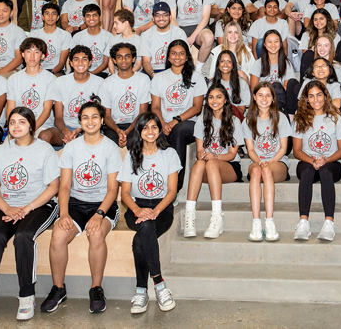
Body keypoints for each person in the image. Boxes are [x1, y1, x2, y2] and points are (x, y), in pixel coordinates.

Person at [0, 107, 60, 322]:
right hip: (7, 205)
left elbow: (53, 187)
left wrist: (27, 208)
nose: (16, 126)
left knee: (23, 237)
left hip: (40, 205)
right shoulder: (1, 150)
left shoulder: (44, 149)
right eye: (12, 122)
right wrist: (6, 208)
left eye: (22, 122)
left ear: (31, 125)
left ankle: (26, 295)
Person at [41, 96, 122, 314]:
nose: (90, 121)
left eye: (94, 117)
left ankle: (96, 288)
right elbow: (65, 186)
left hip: (104, 204)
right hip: (76, 203)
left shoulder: (111, 148)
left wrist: (99, 214)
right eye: (85, 117)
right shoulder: (71, 148)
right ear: (80, 122)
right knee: (58, 234)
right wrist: (64, 214)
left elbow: (113, 190)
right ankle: (58, 288)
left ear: (102, 120)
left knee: (95, 234)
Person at [116, 113, 180, 314]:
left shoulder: (169, 154)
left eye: (154, 127)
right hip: (136, 207)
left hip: (162, 209)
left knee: (139, 241)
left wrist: (156, 211)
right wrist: (137, 210)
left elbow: (171, 191)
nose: (150, 131)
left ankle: (141, 291)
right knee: (143, 226)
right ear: (140, 131)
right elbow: (125, 193)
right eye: (145, 128)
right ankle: (160, 285)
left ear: (160, 130)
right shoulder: (131, 155)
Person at [184, 84, 245, 239]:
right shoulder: (201, 120)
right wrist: (203, 154)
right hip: (208, 166)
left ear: (225, 100)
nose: (214, 100)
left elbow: (232, 154)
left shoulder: (234, 121)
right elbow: (199, 151)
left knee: (210, 163)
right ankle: (189, 216)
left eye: (219, 97)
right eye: (211, 97)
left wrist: (214, 157)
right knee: (199, 163)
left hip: (229, 167)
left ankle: (217, 217)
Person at [292, 80, 341, 242]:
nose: (315, 99)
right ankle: (303, 222)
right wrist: (312, 160)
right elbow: (297, 150)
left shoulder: (336, 118)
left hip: (331, 163)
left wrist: (326, 160)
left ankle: (329, 223)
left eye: (319, 95)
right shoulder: (300, 119)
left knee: (325, 171)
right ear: (306, 99)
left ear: (325, 96)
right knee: (308, 171)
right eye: (311, 96)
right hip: (307, 162)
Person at [150, 40, 206, 190]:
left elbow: (197, 107)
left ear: (187, 57)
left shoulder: (196, 77)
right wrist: (162, 123)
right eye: (174, 53)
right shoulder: (159, 78)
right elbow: (155, 107)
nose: (177, 57)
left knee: (179, 130)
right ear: (168, 57)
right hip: (164, 122)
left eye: (181, 53)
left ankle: (175, 186)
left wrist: (175, 121)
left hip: (188, 124)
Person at [243, 81, 292, 241]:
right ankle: (256, 223)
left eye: (268, 95)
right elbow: (250, 150)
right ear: (254, 97)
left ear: (273, 99)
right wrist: (259, 161)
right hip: (257, 162)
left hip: (278, 163)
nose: (264, 98)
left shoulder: (281, 118)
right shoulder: (248, 120)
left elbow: (283, 148)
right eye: (260, 95)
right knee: (257, 170)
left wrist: (269, 162)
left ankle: (269, 222)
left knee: (266, 170)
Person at [39, 46, 104, 147]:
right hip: (65, 128)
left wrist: (80, 130)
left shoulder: (100, 83)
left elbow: (99, 116)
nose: (80, 63)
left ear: (90, 62)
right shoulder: (60, 82)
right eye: (76, 59)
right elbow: (58, 118)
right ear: (71, 63)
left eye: (85, 59)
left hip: (90, 127)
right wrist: (66, 132)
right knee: (44, 136)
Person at [99, 43, 151, 148]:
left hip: (136, 124)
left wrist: (126, 132)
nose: (123, 60)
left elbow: (143, 112)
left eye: (127, 56)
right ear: (114, 60)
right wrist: (118, 131)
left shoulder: (143, 79)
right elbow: (106, 115)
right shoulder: (107, 83)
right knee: (109, 144)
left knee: (134, 141)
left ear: (133, 59)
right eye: (119, 57)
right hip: (113, 126)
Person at [168, 0, 215, 72]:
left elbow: (205, 18)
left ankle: (198, 68)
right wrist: (182, 35)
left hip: (199, 28)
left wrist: (193, 37)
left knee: (209, 38)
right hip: (181, 27)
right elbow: (172, 19)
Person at [6, 38, 57, 133]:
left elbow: (47, 110)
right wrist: (13, 127)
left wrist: (31, 130)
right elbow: (10, 108)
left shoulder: (51, 79)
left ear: (42, 56)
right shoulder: (13, 79)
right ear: (22, 54)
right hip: (18, 127)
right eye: (28, 51)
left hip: (41, 126)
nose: (32, 56)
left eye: (36, 52)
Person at [250, 30, 296, 114]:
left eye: (276, 41)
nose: (273, 45)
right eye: (269, 42)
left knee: (278, 86)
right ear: (264, 45)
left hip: (281, 102)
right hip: (263, 101)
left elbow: (287, 87)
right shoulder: (258, 64)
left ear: (281, 44)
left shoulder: (287, 64)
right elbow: (254, 89)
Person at [141, 1, 189, 76]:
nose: (161, 18)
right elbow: (146, 62)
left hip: (173, 69)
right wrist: (153, 74)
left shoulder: (179, 33)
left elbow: (185, 58)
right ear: (153, 18)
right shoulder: (147, 35)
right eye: (157, 15)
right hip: (153, 70)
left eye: (165, 15)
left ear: (170, 17)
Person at [30, 2, 74, 75]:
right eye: (47, 14)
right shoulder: (33, 35)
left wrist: (50, 74)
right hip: (37, 70)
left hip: (56, 71)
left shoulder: (65, 35)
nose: (50, 16)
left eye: (53, 14)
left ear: (57, 17)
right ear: (42, 17)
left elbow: (61, 63)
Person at [299, 9, 341, 76]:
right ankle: (304, 83)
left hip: (328, 63)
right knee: (308, 53)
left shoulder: (335, 35)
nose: (318, 22)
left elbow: (335, 54)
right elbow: (305, 54)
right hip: (312, 63)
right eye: (315, 19)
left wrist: (318, 50)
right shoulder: (306, 35)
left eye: (321, 19)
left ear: (327, 19)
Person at [72, 4, 112, 76]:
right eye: (88, 16)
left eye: (94, 15)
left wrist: (91, 74)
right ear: (84, 19)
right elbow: (73, 59)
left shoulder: (108, 37)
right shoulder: (77, 37)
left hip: (101, 73)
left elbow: (105, 63)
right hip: (80, 71)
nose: (91, 18)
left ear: (100, 17)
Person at [209, 49, 251, 115]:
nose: (225, 64)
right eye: (222, 61)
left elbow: (241, 110)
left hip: (235, 118)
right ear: (218, 64)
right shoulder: (212, 83)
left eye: (229, 62)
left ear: (233, 65)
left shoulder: (242, 83)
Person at [105, 9, 142, 74]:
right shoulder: (113, 39)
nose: (114, 26)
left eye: (116, 23)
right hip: (116, 75)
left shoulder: (139, 40)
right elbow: (110, 61)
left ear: (126, 23)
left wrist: (127, 75)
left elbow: (138, 64)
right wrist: (115, 76)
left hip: (134, 75)